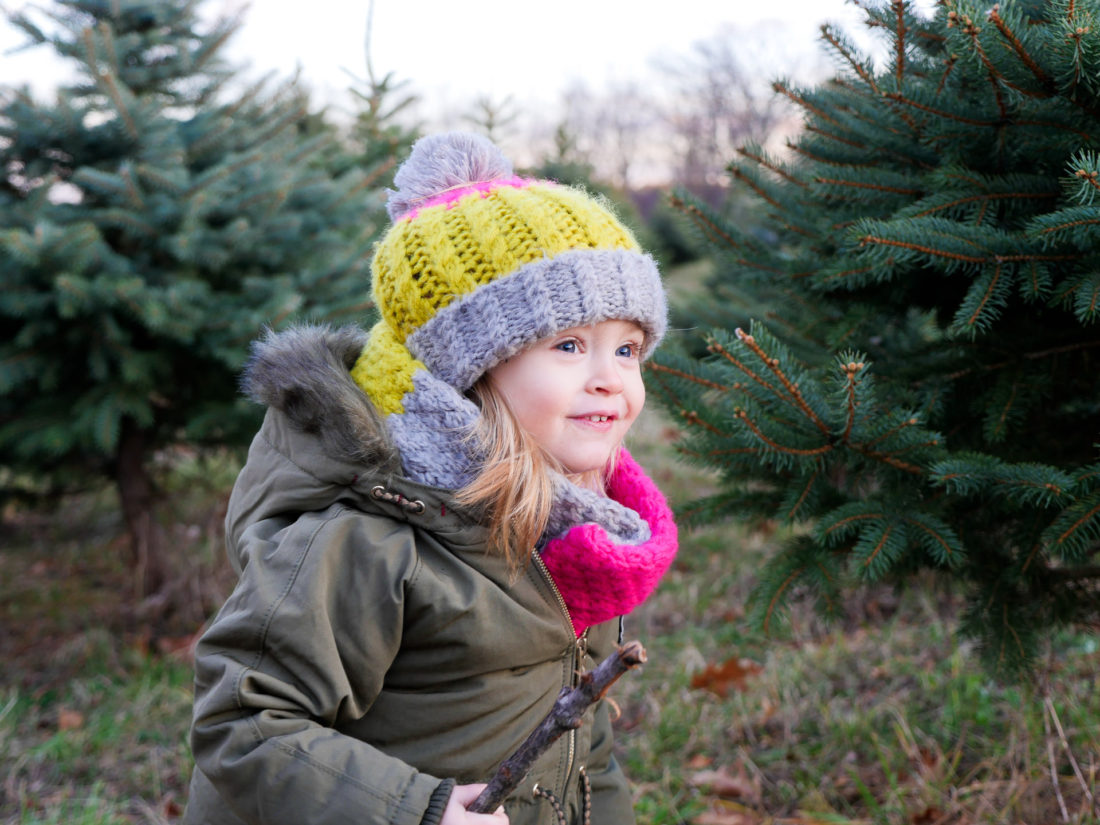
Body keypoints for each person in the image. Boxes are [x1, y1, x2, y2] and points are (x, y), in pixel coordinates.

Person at [183, 132, 678, 825]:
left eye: (627, 348)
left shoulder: (577, 524)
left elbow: (579, 744)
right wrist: (421, 811)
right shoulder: (371, 537)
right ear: (469, 373)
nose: (609, 378)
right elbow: (243, 719)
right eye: (568, 345)